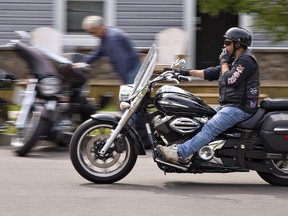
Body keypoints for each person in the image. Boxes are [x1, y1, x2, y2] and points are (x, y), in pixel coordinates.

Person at [157, 27, 260, 164]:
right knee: (200, 118)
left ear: (238, 45)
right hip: (229, 105)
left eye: (228, 43)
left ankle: (179, 153)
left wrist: (223, 62)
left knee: (210, 128)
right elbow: (210, 73)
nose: (224, 47)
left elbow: (231, 80)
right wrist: (185, 72)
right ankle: (193, 152)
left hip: (240, 108)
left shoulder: (245, 61)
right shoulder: (235, 61)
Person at [79, 15, 141, 84]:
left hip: (131, 70)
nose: (93, 35)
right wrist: (83, 62)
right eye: (90, 33)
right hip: (129, 69)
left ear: (101, 27)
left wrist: (124, 79)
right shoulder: (105, 36)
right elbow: (98, 52)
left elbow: (122, 60)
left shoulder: (112, 39)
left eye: (94, 32)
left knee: (131, 91)